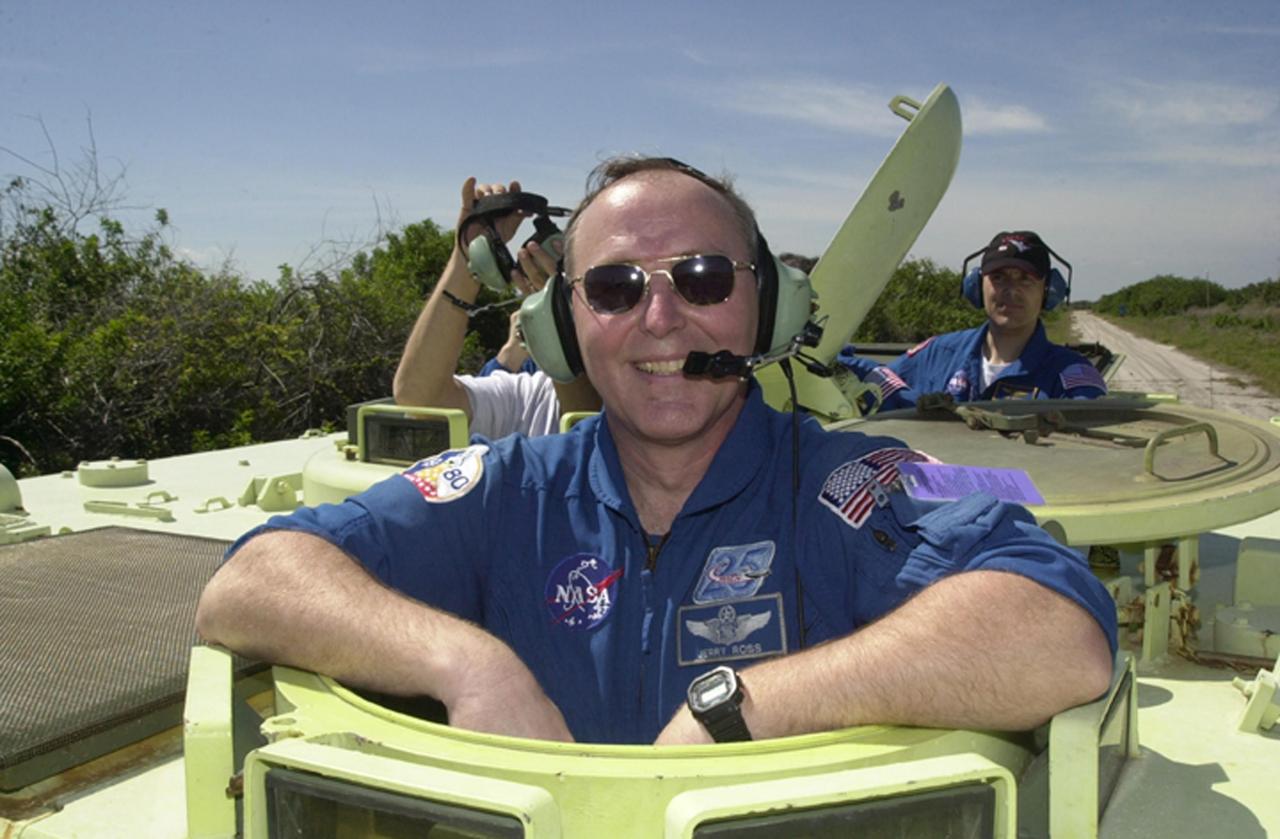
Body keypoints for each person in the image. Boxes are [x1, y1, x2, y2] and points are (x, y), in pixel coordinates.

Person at [196, 159, 1115, 746]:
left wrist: (744, 706)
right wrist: (466, 665)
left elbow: (1059, 630)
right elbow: (251, 581)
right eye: (614, 287)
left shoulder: (842, 483)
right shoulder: (512, 488)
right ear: (563, 328)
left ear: (768, 309)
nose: (662, 317)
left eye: (705, 279)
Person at [392, 177, 599, 438]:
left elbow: (594, 431)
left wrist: (557, 320)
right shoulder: (532, 397)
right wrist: (468, 259)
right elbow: (421, 398)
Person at [837, 231, 1107, 412]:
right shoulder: (939, 353)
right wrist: (833, 361)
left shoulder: (1071, 375)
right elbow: (879, 382)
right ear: (977, 286)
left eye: (1025, 279)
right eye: (998, 278)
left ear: (1048, 291)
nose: (1011, 291)